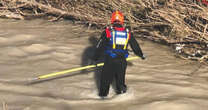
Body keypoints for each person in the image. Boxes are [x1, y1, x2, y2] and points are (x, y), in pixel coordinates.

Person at [92, 11, 146, 98]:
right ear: (122, 20)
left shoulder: (108, 32)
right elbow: (135, 46)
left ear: (112, 20)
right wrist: (141, 55)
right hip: (122, 61)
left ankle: (103, 99)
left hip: (110, 61)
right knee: (120, 83)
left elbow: (100, 47)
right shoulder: (128, 33)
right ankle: (122, 97)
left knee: (105, 82)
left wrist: (95, 59)